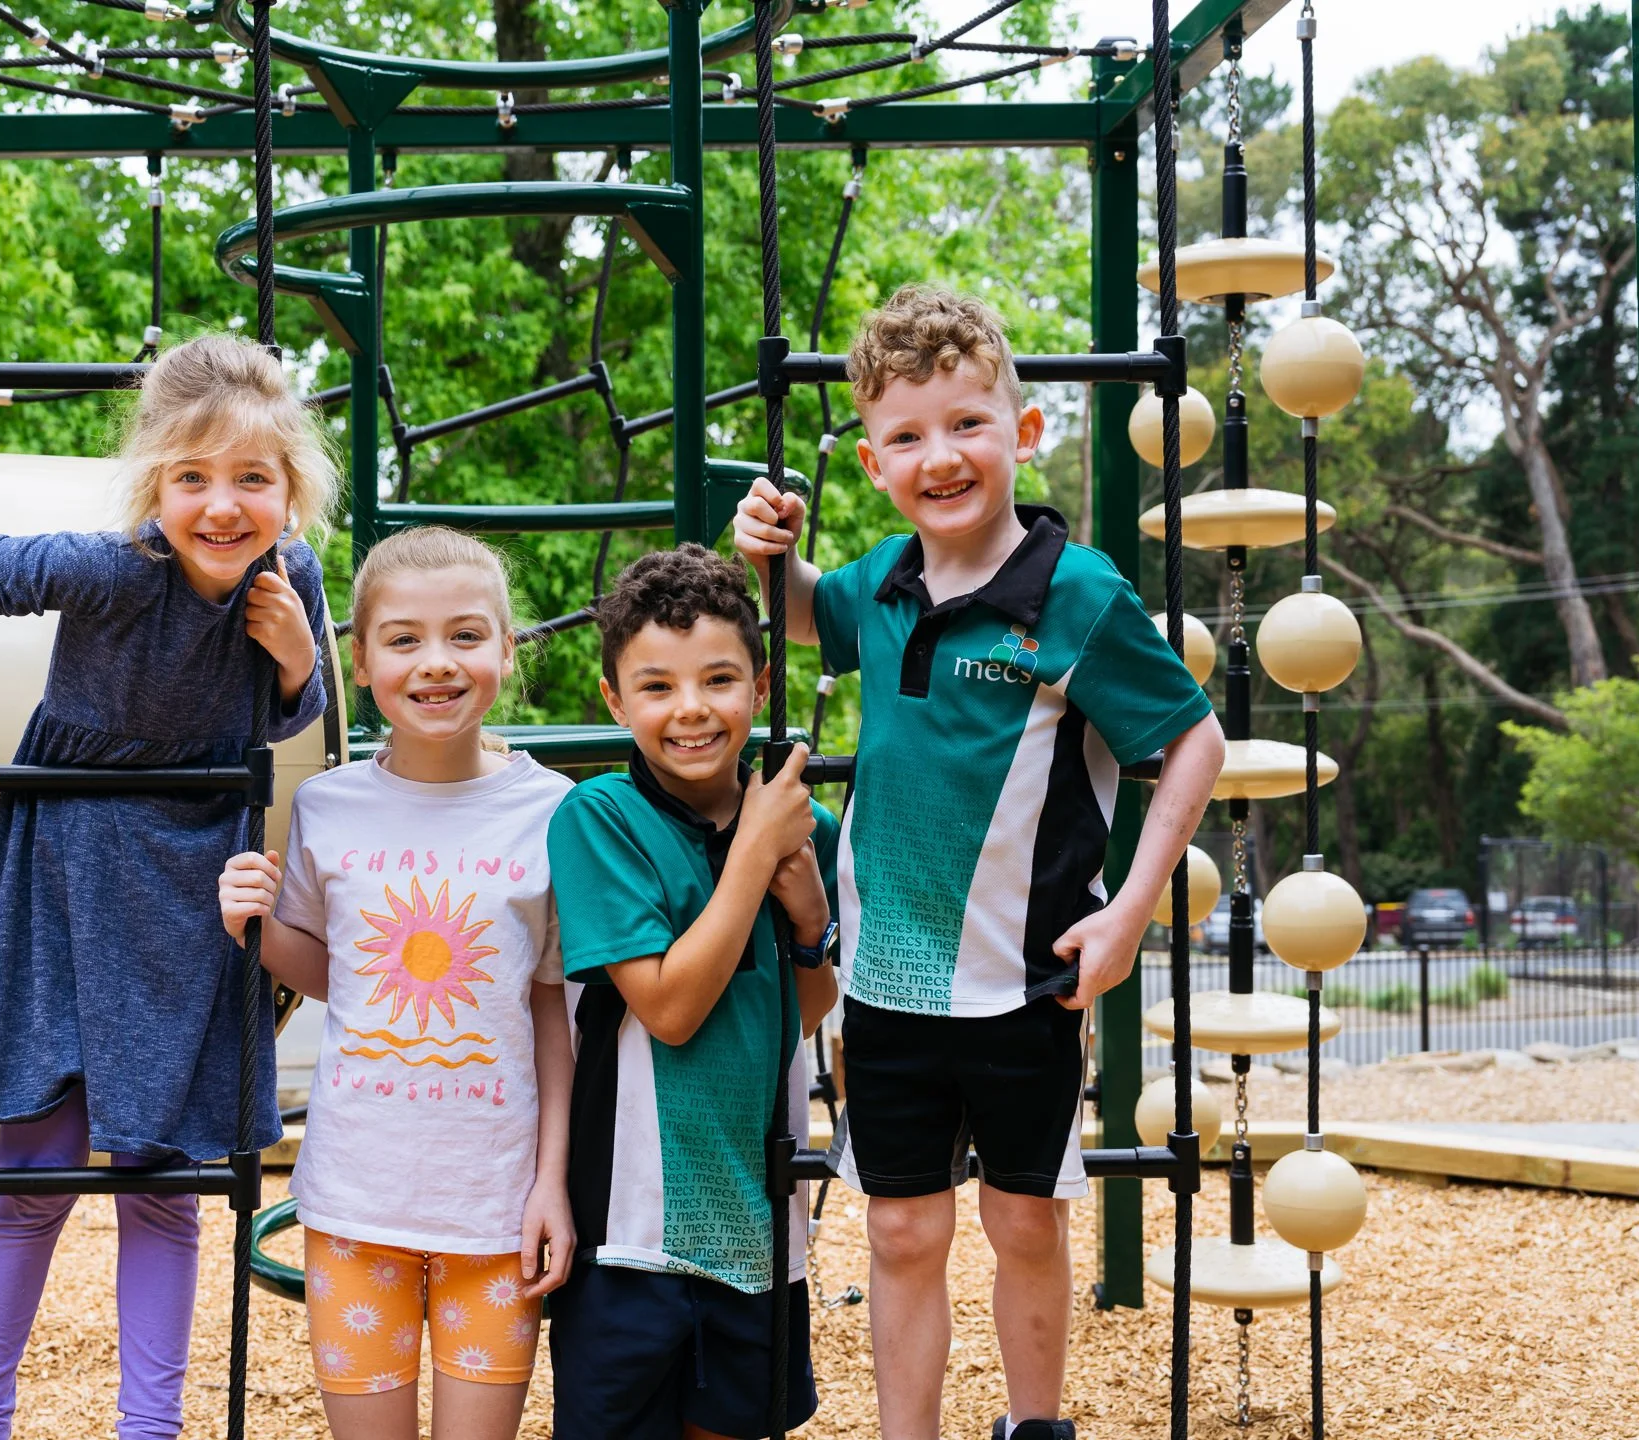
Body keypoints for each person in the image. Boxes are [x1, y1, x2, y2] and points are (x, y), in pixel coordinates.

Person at [733, 286, 1226, 1440]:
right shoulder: (887, 583)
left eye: (967, 424)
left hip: (1024, 984)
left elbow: (1192, 740)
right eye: (906, 437)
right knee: (902, 1231)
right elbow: (809, 615)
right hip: (887, 989)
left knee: (1024, 1222)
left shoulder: (1076, 595)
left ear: (1025, 432)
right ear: (871, 461)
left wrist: (1132, 912)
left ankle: (1033, 1425)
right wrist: (772, 549)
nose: (939, 457)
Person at [0, 332, 338, 1440]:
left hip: (192, 881)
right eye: (192, 477)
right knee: (36, 1163)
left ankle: (153, 1425)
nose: (222, 505)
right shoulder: (106, 570)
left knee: (162, 1170)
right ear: (155, 483)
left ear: (292, 486)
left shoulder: (295, 579)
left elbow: (287, 720)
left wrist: (296, 660)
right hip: (68, 859)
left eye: (252, 478)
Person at [217, 526, 576, 1440]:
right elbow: (343, 976)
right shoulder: (328, 807)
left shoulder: (553, 812)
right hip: (355, 1202)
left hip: (496, 1208)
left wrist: (552, 1180)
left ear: (506, 648)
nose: (436, 663)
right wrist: (252, 929)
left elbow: (548, 1006)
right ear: (363, 660)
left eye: (465, 635)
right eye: (404, 639)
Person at [544, 544, 840, 1440]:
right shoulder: (598, 819)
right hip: (631, 1227)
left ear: (758, 684)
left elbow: (806, 1008)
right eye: (658, 687)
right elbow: (668, 1012)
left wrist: (812, 918)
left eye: (718, 680)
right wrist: (752, 861)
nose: (691, 711)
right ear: (614, 700)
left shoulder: (804, 825)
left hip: (757, 1224)